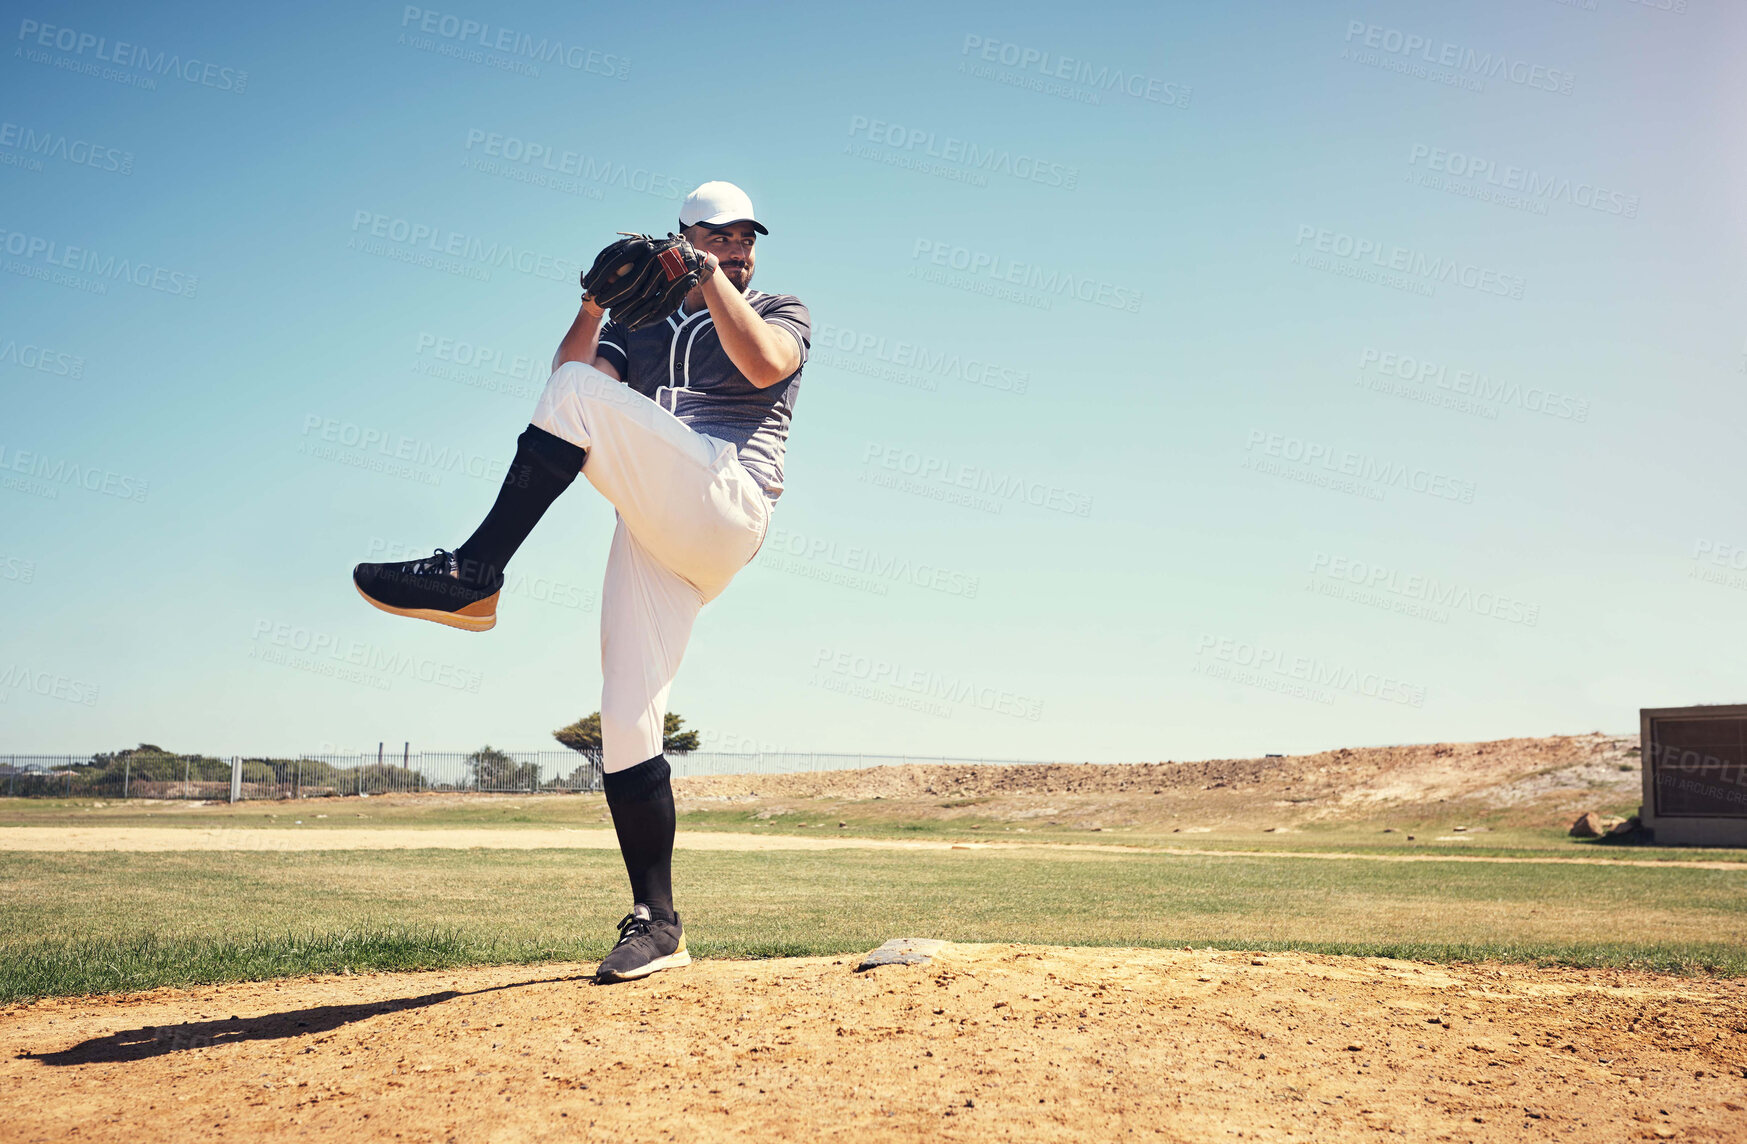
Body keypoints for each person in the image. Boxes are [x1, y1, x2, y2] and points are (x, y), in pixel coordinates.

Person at [351, 181, 811, 981]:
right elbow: (567, 379)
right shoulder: (641, 327)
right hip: (656, 527)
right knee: (627, 716)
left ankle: (474, 572)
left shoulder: (778, 306)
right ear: (683, 233)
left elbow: (766, 365)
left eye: (745, 237)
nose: (736, 248)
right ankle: (657, 922)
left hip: (727, 500)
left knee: (575, 398)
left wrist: (703, 276)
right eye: (718, 235)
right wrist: (597, 303)